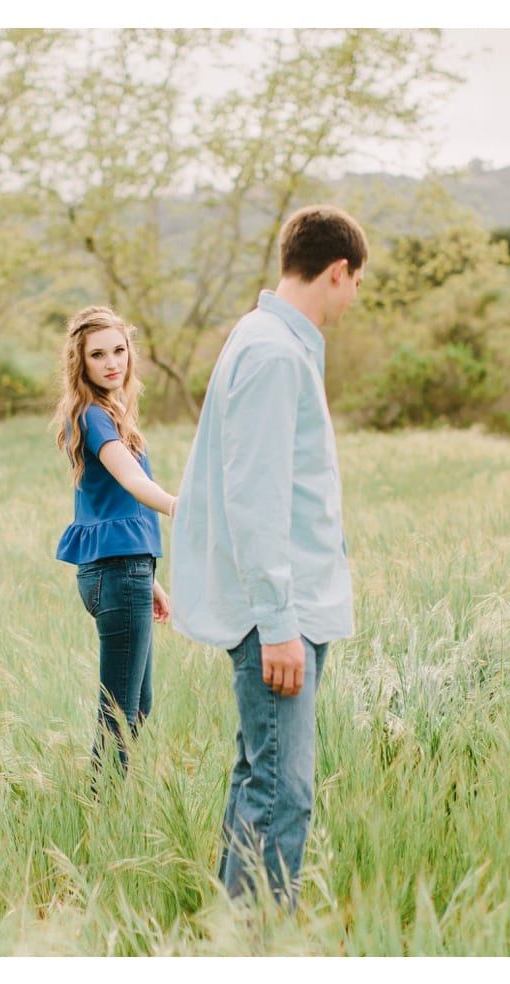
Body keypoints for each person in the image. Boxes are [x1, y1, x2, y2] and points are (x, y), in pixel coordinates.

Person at [170, 204, 366, 910]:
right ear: (337, 271)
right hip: (280, 616)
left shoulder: (266, 341)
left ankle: (232, 937)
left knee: (261, 778)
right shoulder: (274, 352)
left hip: (291, 606)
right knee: (284, 794)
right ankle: (256, 945)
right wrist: (279, 621)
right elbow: (252, 497)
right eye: (354, 285)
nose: (352, 300)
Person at [54, 305, 177, 778]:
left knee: (135, 706)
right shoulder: (92, 417)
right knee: (119, 718)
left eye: (119, 351)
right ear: (80, 363)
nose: (112, 363)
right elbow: (128, 480)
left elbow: (117, 508)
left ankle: (107, 804)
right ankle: (100, 814)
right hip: (115, 574)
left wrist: (151, 578)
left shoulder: (111, 411)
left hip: (126, 571)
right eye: (98, 354)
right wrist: (176, 505)